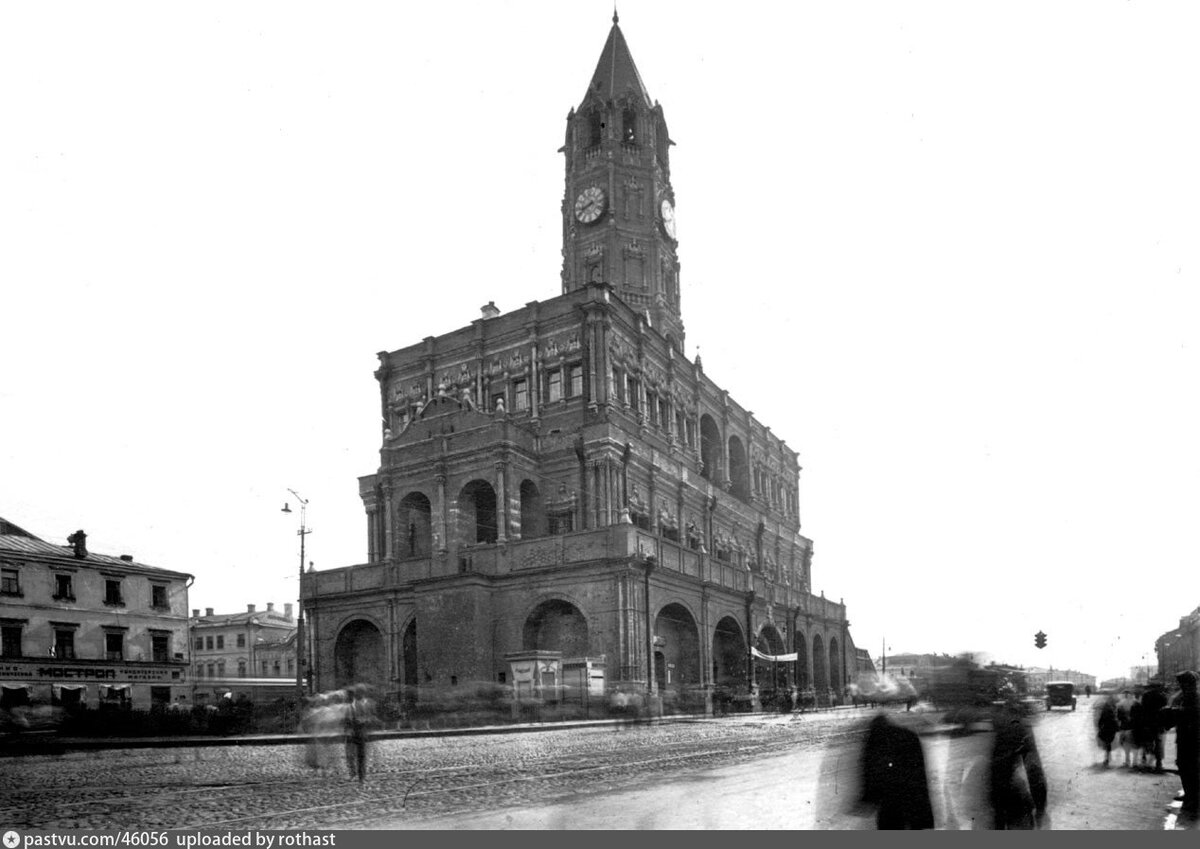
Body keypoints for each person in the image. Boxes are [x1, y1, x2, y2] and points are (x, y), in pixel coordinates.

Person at [858, 712, 935, 829]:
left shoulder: (875, 740)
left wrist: (868, 798)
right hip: (914, 793)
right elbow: (919, 770)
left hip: (891, 799)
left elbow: (870, 772)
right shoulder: (908, 735)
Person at [989, 700, 1049, 829]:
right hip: (1014, 801)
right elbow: (1034, 772)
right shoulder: (1021, 729)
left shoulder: (997, 728)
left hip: (997, 800)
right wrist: (1040, 807)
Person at [1163, 670, 1199, 818]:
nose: (1180, 685)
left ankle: (1194, 799)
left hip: (1195, 738)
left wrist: (1175, 711)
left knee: (1193, 767)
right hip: (1184, 736)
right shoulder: (1183, 696)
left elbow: (1195, 712)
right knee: (1182, 764)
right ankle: (1189, 794)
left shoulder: (1196, 696)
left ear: (1189, 683)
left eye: (1182, 682)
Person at [344, 684, 376, 784]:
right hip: (351, 733)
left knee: (361, 756)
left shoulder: (368, 704)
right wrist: (347, 730)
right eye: (357, 692)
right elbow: (346, 720)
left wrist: (364, 721)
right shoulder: (350, 705)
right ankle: (352, 773)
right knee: (350, 755)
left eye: (360, 692)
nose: (358, 694)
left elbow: (372, 718)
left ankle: (362, 776)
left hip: (361, 732)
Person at [1139, 682, 1169, 772]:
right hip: (1159, 723)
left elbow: (1142, 709)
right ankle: (1158, 763)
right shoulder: (1162, 696)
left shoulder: (1145, 695)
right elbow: (1166, 710)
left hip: (1148, 722)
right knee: (1159, 743)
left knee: (1147, 741)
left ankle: (1144, 760)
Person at [1096, 694, 1119, 767]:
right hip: (1111, 727)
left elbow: (1101, 719)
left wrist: (1099, 727)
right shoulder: (1114, 707)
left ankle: (1107, 757)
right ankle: (1108, 756)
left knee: (1107, 742)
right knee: (1108, 742)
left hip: (1106, 727)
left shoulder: (1106, 709)